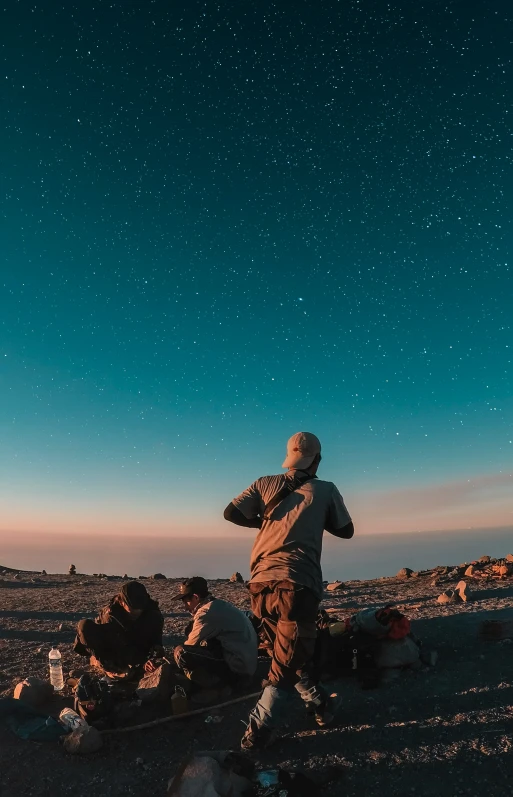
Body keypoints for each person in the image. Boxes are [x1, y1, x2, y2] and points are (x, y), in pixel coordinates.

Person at [223, 431, 354, 750]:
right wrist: (310, 518)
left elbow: (230, 513)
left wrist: (268, 522)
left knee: (288, 653)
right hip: (297, 585)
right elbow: (346, 530)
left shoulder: (264, 483)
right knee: (283, 664)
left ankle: (321, 706)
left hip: (259, 585)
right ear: (318, 459)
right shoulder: (325, 489)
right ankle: (258, 730)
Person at [171, 576, 258, 692]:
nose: (185, 607)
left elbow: (190, 645)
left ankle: (216, 687)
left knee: (181, 652)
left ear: (196, 597)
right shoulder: (218, 605)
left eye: (186, 601)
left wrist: (169, 664)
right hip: (245, 662)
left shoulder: (206, 613)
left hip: (238, 671)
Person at [74, 580, 164, 679]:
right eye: (132, 610)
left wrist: (155, 653)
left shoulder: (152, 612)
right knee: (84, 626)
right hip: (112, 646)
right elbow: (120, 646)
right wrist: (142, 661)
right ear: (121, 602)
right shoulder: (111, 616)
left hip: (135, 643)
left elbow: (156, 638)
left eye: (139, 609)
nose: (136, 613)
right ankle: (107, 667)